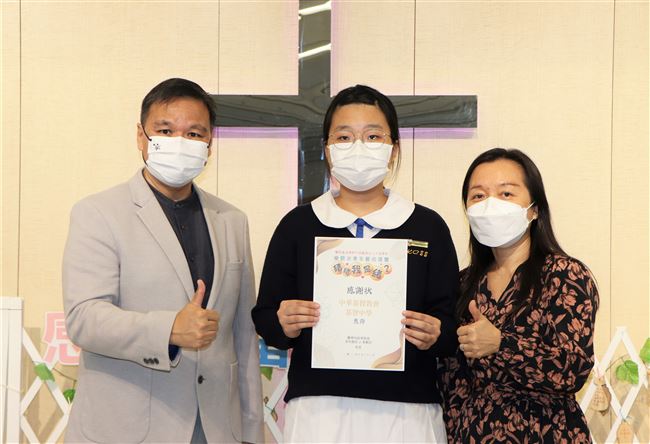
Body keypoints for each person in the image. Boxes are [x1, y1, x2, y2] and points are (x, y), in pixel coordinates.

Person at [251, 84, 458, 442]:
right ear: (327, 150)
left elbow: (452, 324)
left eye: (373, 136)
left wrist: (436, 333)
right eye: (344, 137)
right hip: (319, 411)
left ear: (394, 149)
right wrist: (283, 322)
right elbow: (266, 317)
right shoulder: (297, 225)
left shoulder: (427, 226)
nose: (359, 147)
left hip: (407, 412)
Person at [62, 78, 263, 443]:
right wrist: (168, 330)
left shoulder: (232, 220)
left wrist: (250, 429)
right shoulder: (98, 213)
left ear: (209, 145)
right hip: (127, 428)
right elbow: (84, 319)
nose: (179, 143)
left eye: (194, 133)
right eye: (165, 131)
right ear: (141, 137)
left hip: (215, 428)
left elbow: (243, 336)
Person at [439, 148, 599, 443]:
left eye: (506, 194)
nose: (491, 205)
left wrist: (501, 344)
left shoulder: (564, 274)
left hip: (547, 433)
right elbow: (452, 381)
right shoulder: (463, 283)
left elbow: (572, 368)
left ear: (534, 209)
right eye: (478, 196)